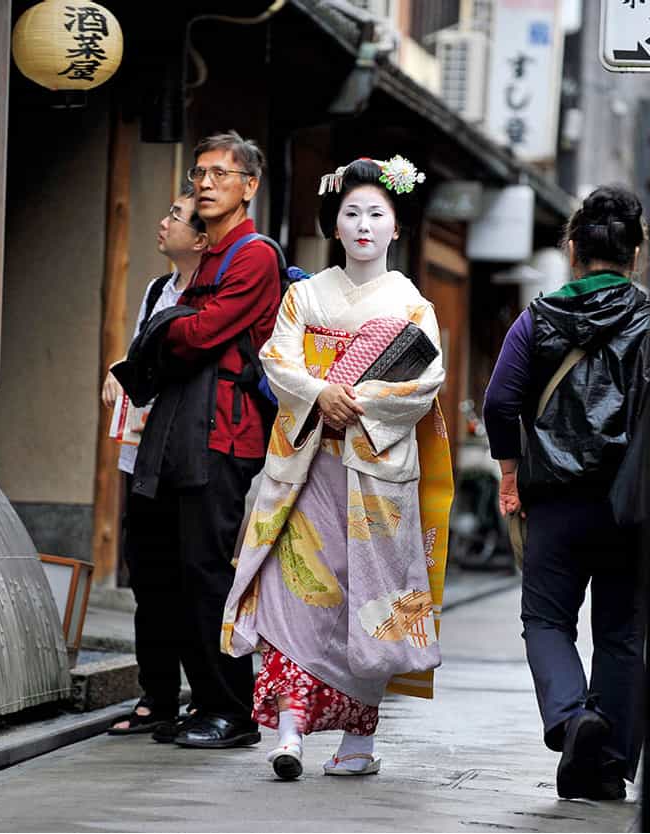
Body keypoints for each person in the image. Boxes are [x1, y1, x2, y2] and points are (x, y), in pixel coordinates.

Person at [220, 156, 454, 781]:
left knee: (367, 603)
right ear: (336, 225)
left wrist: (361, 403)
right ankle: (290, 731)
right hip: (309, 467)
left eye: (377, 213)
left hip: (374, 473)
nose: (363, 224)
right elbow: (278, 359)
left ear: (396, 227)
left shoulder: (413, 306)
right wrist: (318, 395)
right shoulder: (305, 296)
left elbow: (426, 381)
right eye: (352, 213)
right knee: (293, 595)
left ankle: (358, 743)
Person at [482, 185, 650, 801]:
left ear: (572, 249)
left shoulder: (539, 317)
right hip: (633, 503)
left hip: (555, 501)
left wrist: (508, 471)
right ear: (636, 254)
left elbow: (500, 401)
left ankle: (571, 716)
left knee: (547, 620)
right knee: (620, 633)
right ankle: (603, 769)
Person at [154, 131, 282, 749]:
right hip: (188, 425)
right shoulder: (207, 254)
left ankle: (233, 710)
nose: (203, 184)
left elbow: (199, 334)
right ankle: (205, 699)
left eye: (219, 174)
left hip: (226, 432)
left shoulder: (254, 255)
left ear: (248, 186)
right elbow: (179, 325)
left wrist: (171, 329)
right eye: (198, 173)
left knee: (209, 571)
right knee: (181, 570)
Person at [105, 185, 208, 739]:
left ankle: (199, 693)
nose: (163, 222)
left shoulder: (212, 297)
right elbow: (140, 356)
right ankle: (157, 694)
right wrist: (118, 367)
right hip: (139, 450)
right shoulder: (156, 289)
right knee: (148, 573)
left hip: (186, 454)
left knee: (190, 574)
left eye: (176, 216)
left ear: (201, 237)